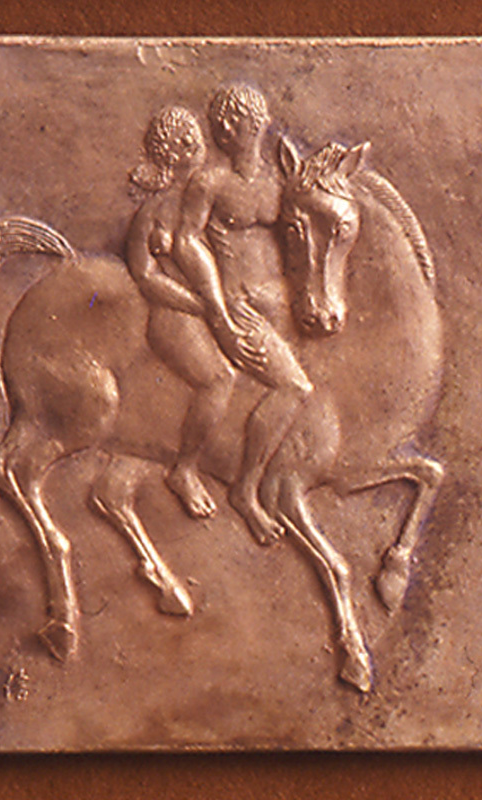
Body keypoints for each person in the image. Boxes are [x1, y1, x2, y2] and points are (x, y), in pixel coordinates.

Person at [173, 84, 314, 545]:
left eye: (234, 122)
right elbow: (187, 242)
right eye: (221, 123)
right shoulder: (209, 183)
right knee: (293, 387)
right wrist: (217, 310)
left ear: (254, 125)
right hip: (237, 308)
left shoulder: (278, 184)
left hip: (280, 307)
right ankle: (243, 490)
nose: (225, 129)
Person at [126, 105, 252, 519]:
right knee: (219, 379)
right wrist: (197, 304)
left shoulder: (212, 195)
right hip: (176, 316)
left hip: (223, 306)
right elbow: (145, 277)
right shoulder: (153, 212)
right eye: (183, 141)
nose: (195, 144)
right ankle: (185, 469)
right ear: (172, 153)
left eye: (193, 136)